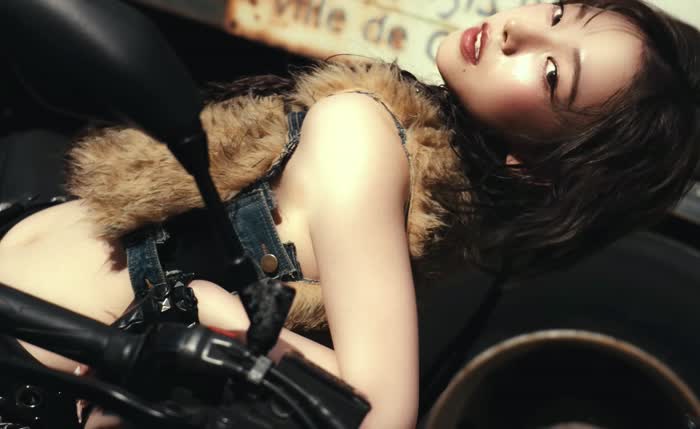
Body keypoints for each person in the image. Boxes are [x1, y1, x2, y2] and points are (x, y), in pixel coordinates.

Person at [0, 0, 698, 427]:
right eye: (557, 12)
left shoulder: (366, 134)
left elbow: (379, 412)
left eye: (552, 74)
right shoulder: (425, 189)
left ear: (539, 167)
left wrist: (204, 311)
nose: (519, 30)